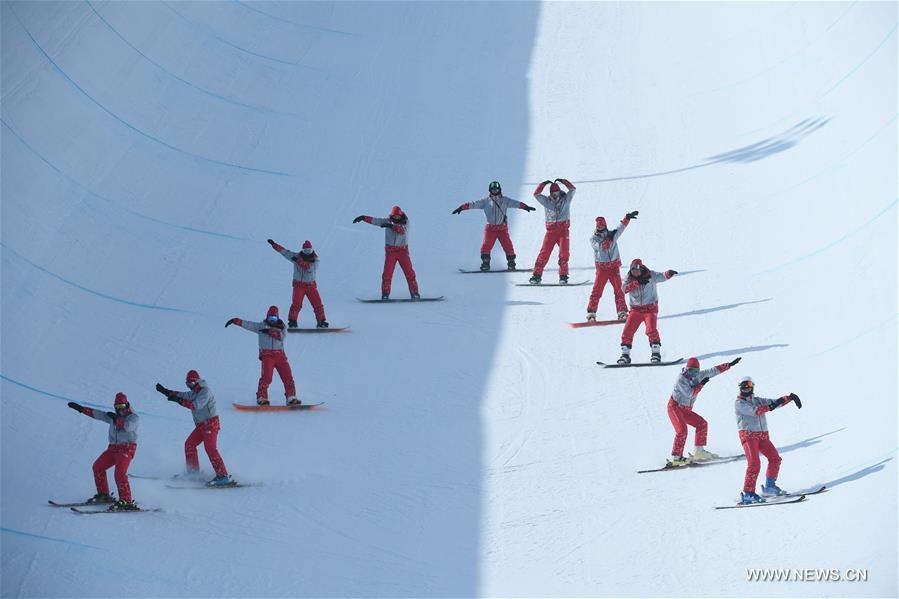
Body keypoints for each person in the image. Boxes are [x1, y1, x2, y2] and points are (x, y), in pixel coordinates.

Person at [155, 370, 232, 486]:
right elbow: (182, 395)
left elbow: (195, 405)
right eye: (188, 383)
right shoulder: (193, 392)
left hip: (211, 423)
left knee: (210, 448)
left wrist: (179, 401)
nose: (189, 385)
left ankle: (223, 475)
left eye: (191, 383)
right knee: (189, 444)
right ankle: (193, 473)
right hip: (201, 425)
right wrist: (167, 392)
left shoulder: (205, 391)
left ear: (197, 381)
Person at [734, 376, 802, 504]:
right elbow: (756, 411)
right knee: (754, 463)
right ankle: (748, 493)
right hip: (749, 436)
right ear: (740, 387)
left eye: (748, 384)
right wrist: (771, 406)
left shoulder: (757, 400)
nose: (746, 387)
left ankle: (770, 487)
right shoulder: (739, 403)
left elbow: (774, 402)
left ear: (752, 386)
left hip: (762, 436)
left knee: (775, 458)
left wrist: (789, 398)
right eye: (743, 385)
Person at [66, 393, 140, 511]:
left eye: (122, 406)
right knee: (98, 467)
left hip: (126, 449)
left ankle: (126, 501)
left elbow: (128, 427)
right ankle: (104, 495)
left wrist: (117, 419)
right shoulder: (113, 416)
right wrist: (81, 409)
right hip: (113, 449)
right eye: (117, 406)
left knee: (120, 474)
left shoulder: (133, 417)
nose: (120, 409)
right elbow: (98, 414)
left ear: (127, 405)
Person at [666, 356, 742, 467]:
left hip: (685, 409)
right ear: (686, 369)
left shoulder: (699, 375)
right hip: (674, 407)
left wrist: (728, 365)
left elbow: (713, 371)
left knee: (702, 424)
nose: (693, 374)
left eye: (695, 371)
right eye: (691, 370)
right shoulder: (681, 379)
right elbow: (689, 393)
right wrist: (701, 385)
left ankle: (699, 451)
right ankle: (676, 457)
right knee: (682, 430)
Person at [451, 180, 536, 271]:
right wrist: (462, 208)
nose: (495, 192)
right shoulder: (485, 201)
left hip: (502, 229)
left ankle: (511, 263)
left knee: (508, 246)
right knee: (486, 246)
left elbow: (516, 203)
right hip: (490, 229)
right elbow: (473, 204)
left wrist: (525, 207)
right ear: (490, 191)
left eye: (496, 190)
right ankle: (485, 263)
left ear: (499, 190)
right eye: (493, 190)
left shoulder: (505, 200)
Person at [226, 305, 299, 406]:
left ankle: (291, 397)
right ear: (267, 317)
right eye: (270, 318)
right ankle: (262, 397)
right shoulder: (261, 326)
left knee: (287, 376)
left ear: (277, 318)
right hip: (267, 356)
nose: (272, 320)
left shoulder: (282, 327)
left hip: (280, 356)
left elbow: (281, 337)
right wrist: (236, 321)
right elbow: (249, 325)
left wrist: (271, 332)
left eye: (274, 318)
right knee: (267, 378)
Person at [617, 258, 678, 364]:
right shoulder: (629, 278)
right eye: (632, 270)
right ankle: (625, 355)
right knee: (627, 331)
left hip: (650, 309)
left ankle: (655, 354)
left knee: (651, 330)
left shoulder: (651, 275)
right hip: (635, 310)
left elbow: (661, 276)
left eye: (636, 269)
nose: (634, 272)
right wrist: (635, 283)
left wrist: (669, 273)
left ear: (641, 268)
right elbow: (623, 289)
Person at [353, 206, 420, 300]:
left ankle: (415, 293)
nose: (396, 218)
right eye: (394, 216)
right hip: (390, 252)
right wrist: (363, 218)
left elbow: (402, 231)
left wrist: (391, 226)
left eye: (398, 216)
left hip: (402, 251)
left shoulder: (406, 222)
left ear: (401, 215)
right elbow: (375, 221)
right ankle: (385, 294)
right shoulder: (387, 221)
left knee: (409, 272)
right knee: (387, 274)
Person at [586, 211, 638, 321]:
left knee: (619, 290)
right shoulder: (593, 239)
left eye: (602, 225)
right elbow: (599, 247)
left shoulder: (612, 235)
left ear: (605, 225)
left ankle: (622, 312)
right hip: (602, 269)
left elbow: (621, 228)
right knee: (597, 291)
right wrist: (608, 240)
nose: (600, 227)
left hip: (614, 268)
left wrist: (627, 218)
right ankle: (591, 313)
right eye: (598, 226)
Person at [267, 238, 328, 328]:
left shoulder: (315, 260)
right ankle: (292, 321)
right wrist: (274, 244)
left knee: (317, 304)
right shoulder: (296, 256)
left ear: (312, 250)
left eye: (309, 250)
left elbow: (310, 269)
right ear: (302, 250)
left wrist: (299, 261)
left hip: (311, 286)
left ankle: (321, 321)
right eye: (306, 250)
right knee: (296, 304)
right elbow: (285, 252)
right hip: (299, 285)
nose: (308, 252)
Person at [530, 178, 576, 284]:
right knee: (544, 253)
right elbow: (536, 194)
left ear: (559, 192)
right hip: (550, 232)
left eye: (556, 192)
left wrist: (564, 181)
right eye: (553, 193)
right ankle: (536, 276)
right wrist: (543, 184)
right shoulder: (546, 200)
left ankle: (563, 276)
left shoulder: (566, 199)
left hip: (563, 231)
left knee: (564, 254)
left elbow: (573, 189)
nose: (555, 195)